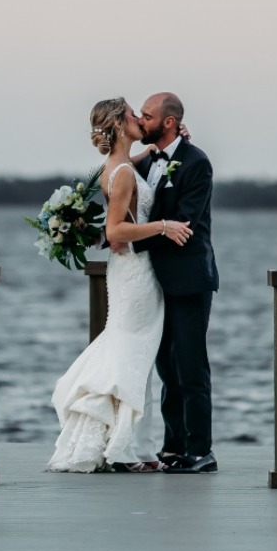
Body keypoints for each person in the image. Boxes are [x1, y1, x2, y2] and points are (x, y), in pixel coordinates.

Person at [46, 97, 192, 473]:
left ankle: (133, 447)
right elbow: (115, 231)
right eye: (132, 114)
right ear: (118, 124)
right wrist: (164, 225)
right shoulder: (122, 172)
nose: (139, 119)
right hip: (136, 271)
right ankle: (127, 451)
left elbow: (146, 158)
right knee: (134, 356)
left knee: (132, 354)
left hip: (131, 271)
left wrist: (176, 142)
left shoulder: (120, 165)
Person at [133, 92, 219, 473]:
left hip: (189, 279)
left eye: (147, 116)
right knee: (167, 366)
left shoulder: (196, 163)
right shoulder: (152, 159)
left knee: (191, 366)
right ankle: (173, 446)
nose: (141, 120)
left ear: (168, 122)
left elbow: (182, 225)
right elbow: (109, 180)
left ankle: (201, 451)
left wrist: (124, 238)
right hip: (157, 281)